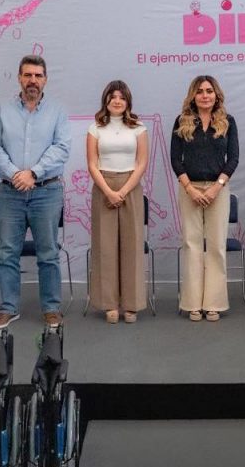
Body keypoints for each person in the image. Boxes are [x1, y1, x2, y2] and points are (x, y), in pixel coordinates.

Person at [0, 55, 71, 329]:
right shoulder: (3, 110)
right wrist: (16, 175)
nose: (32, 80)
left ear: (45, 79)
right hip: (10, 193)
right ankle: (8, 308)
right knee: (7, 253)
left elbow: (61, 149)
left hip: (47, 191)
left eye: (38, 75)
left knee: (48, 253)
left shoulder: (57, 111)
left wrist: (33, 173)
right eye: (28, 75)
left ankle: (51, 308)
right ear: (19, 78)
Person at [170, 75, 239, 322]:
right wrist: (190, 188)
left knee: (217, 246)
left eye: (209, 91)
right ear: (193, 95)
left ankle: (214, 303)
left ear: (216, 95)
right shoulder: (182, 121)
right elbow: (175, 159)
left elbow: (233, 158)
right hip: (189, 188)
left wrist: (216, 187)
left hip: (218, 190)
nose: (205, 95)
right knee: (192, 245)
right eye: (200, 91)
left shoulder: (228, 122)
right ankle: (192, 303)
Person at [86, 80, 148, 324]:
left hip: (130, 186)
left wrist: (123, 191)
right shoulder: (95, 129)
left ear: (128, 101)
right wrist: (109, 192)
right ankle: (109, 304)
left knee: (132, 245)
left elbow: (142, 163)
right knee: (105, 246)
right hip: (104, 186)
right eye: (113, 97)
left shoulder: (139, 128)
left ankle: (131, 304)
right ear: (106, 100)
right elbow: (92, 164)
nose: (117, 101)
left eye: (122, 97)